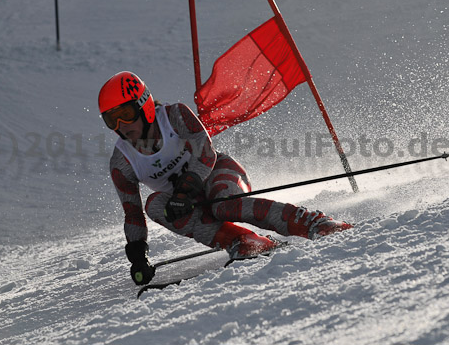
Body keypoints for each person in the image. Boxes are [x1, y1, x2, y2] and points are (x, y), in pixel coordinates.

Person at [99, 71, 353, 285]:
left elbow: (206, 153)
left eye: (126, 114)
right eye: (112, 119)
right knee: (154, 205)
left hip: (218, 172)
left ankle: (312, 222)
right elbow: (132, 213)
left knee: (222, 204)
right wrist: (137, 253)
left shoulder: (174, 116)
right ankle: (242, 241)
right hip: (187, 201)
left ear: (144, 105)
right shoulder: (122, 162)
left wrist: (185, 190)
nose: (121, 125)